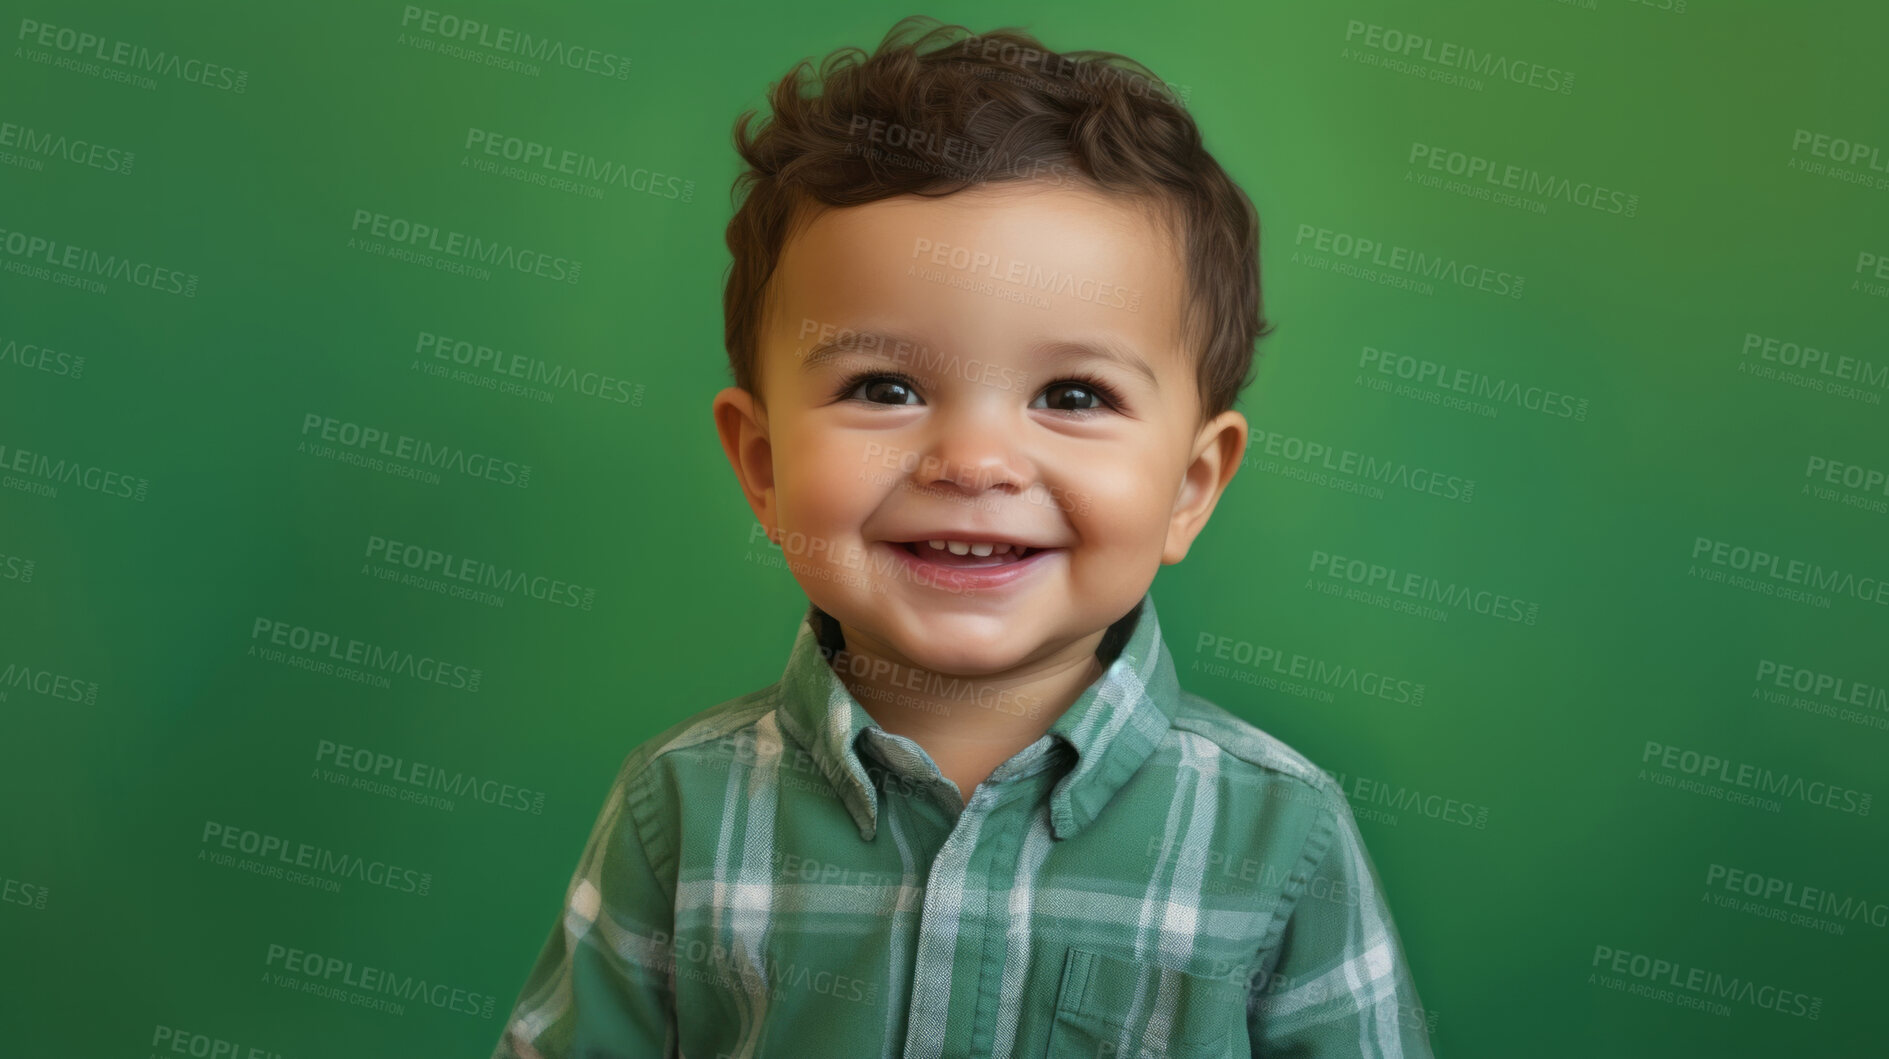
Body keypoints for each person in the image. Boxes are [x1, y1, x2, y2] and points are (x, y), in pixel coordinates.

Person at [490, 15, 1434, 1058]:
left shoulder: (1278, 836)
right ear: (762, 465)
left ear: (1189, 487)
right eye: (883, 387)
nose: (973, 461)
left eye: (1071, 394)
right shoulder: (680, 808)